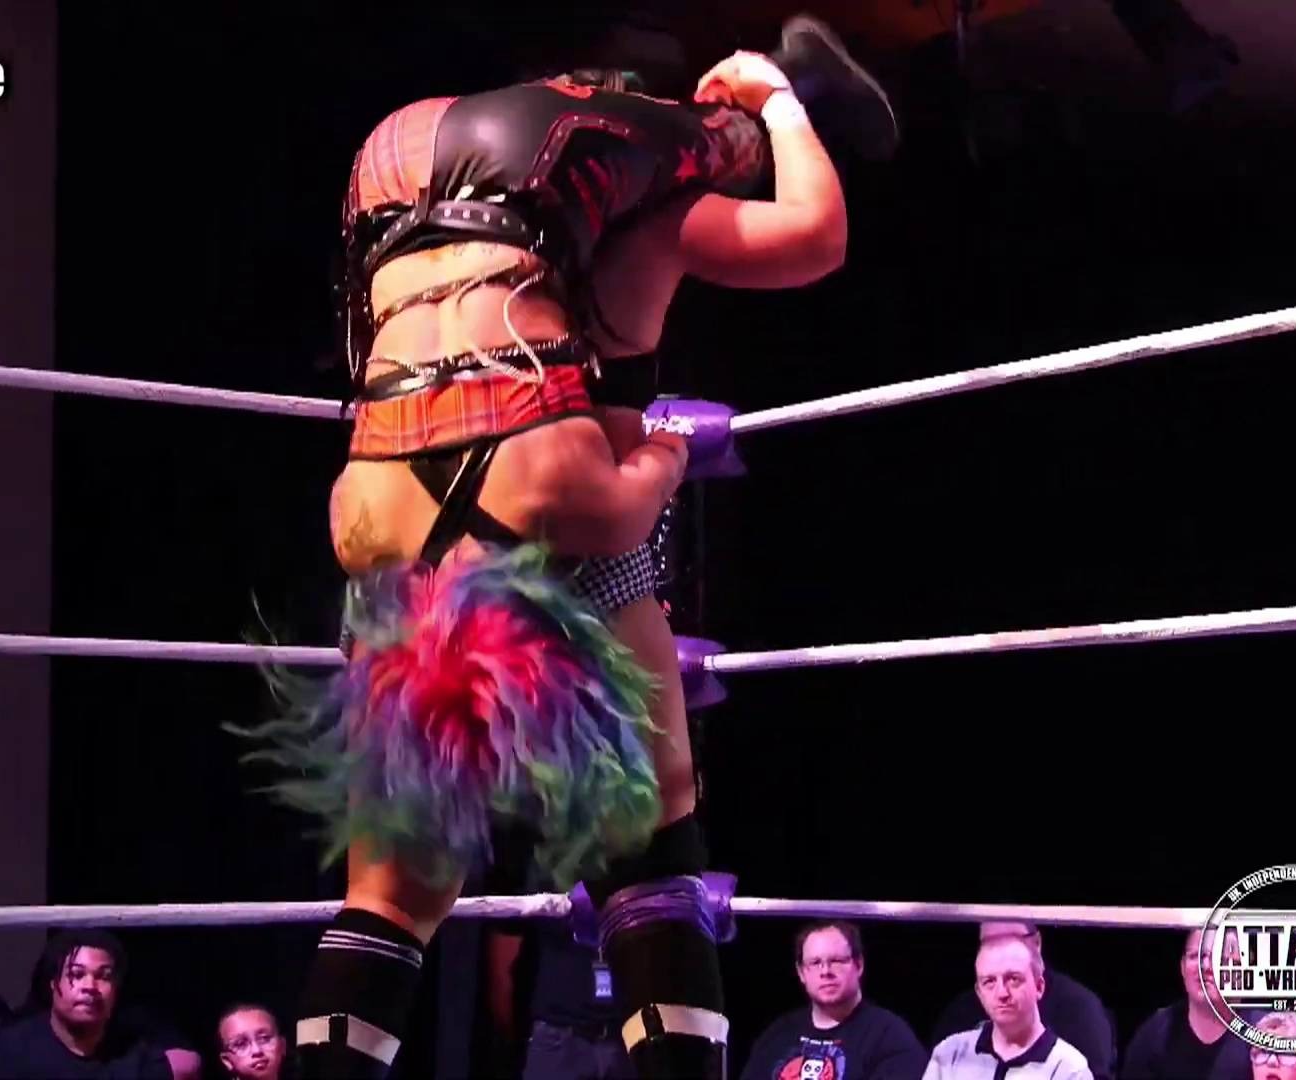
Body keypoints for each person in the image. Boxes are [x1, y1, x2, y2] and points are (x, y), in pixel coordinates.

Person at [242, 17, 892, 1080]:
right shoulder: (652, 217)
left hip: (384, 519)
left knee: (391, 894)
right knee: (652, 858)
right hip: (562, 519)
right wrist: (779, 101)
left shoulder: (424, 228)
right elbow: (815, 235)